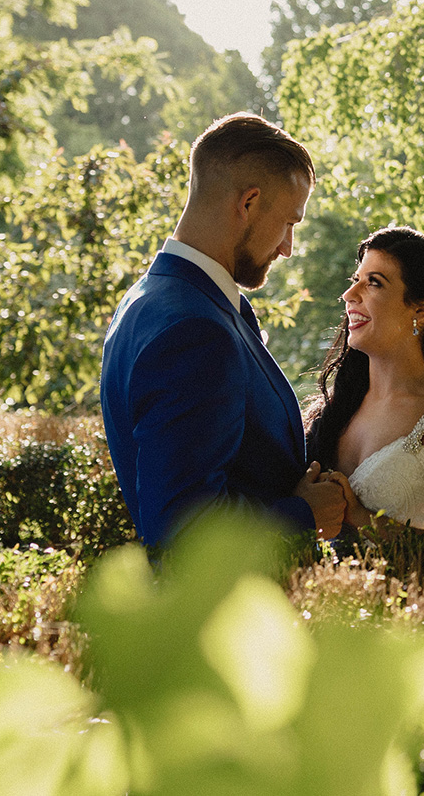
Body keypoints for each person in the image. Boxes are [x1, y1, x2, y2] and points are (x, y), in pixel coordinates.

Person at [101, 113, 346, 549]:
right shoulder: (195, 332)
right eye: (289, 223)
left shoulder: (150, 297)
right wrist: (303, 515)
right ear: (248, 203)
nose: (288, 248)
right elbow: (183, 531)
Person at [307, 226, 424, 531]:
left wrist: (360, 517)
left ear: (423, 308)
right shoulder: (336, 406)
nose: (349, 295)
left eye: (374, 283)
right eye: (356, 281)